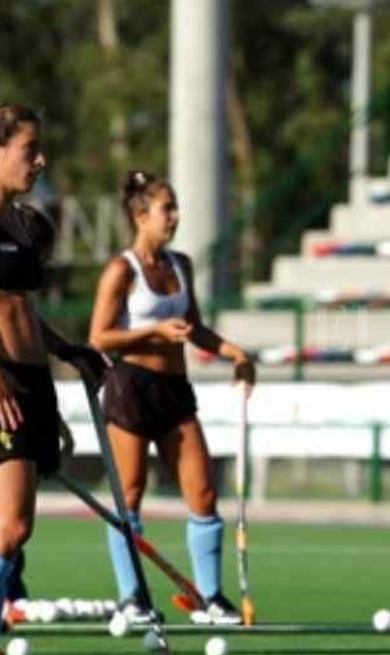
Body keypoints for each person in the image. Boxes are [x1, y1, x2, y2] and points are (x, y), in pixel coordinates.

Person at [0, 103, 105, 655]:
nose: (41, 161)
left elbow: (20, 309)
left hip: (31, 381)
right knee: (10, 527)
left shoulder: (18, 222)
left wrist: (66, 349)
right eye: (30, 150)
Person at [88, 170, 255, 625]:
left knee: (203, 491)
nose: (176, 216)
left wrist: (234, 353)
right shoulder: (122, 270)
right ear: (140, 215)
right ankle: (133, 597)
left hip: (175, 390)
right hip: (131, 388)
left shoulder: (181, 264)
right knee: (130, 494)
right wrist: (154, 332)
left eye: (176, 207)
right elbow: (100, 337)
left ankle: (209, 597)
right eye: (167, 208)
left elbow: (194, 328)